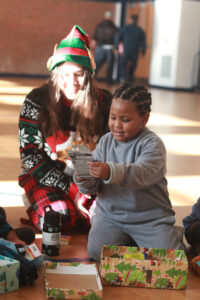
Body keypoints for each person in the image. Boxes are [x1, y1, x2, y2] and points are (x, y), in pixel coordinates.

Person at [74, 83, 185, 261]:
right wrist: (83, 177)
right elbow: (90, 188)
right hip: (110, 217)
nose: (117, 125)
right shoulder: (105, 141)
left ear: (144, 119)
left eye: (125, 120)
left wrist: (110, 170)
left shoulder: (152, 144)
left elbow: (142, 173)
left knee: (171, 259)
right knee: (96, 253)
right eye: (112, 117)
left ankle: (168, 236)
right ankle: (133, 242)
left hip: (149, 219)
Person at [18, 25, 112, 233]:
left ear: (89, 75)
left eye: (79, 74)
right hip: (46, 175)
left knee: (103, 222)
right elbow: (31, 157)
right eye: (65, 74)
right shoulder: (36, 100)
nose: (72, 82)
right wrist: (72, 190)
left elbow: (113, 148)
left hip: (91, 178)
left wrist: (90, 189)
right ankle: (36, 201)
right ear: (55, 74)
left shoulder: (104, 101)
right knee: (58, 219)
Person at [114, 14, 146, 83]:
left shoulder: (125, 28)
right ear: (137, 20)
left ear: (130, 20)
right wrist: (143, 51)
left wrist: (116, 47)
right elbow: (143, 42)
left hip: (126, 49)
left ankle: (123, 77)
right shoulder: (140, 30)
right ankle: (130, 78)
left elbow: (118, 37)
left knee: (123, 63)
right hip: (135, 50)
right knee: (133, 64)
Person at [91, 11, 119, 84]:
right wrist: (116, 48)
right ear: (111, 17)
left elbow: (95, 36)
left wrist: (93, 43)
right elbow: (117, 38)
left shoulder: (99, 25)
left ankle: (92, 78)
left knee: (96, 65)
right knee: (110, 66)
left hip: (100, 48)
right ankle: (109, 81)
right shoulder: (114, 27)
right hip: (110, 48)